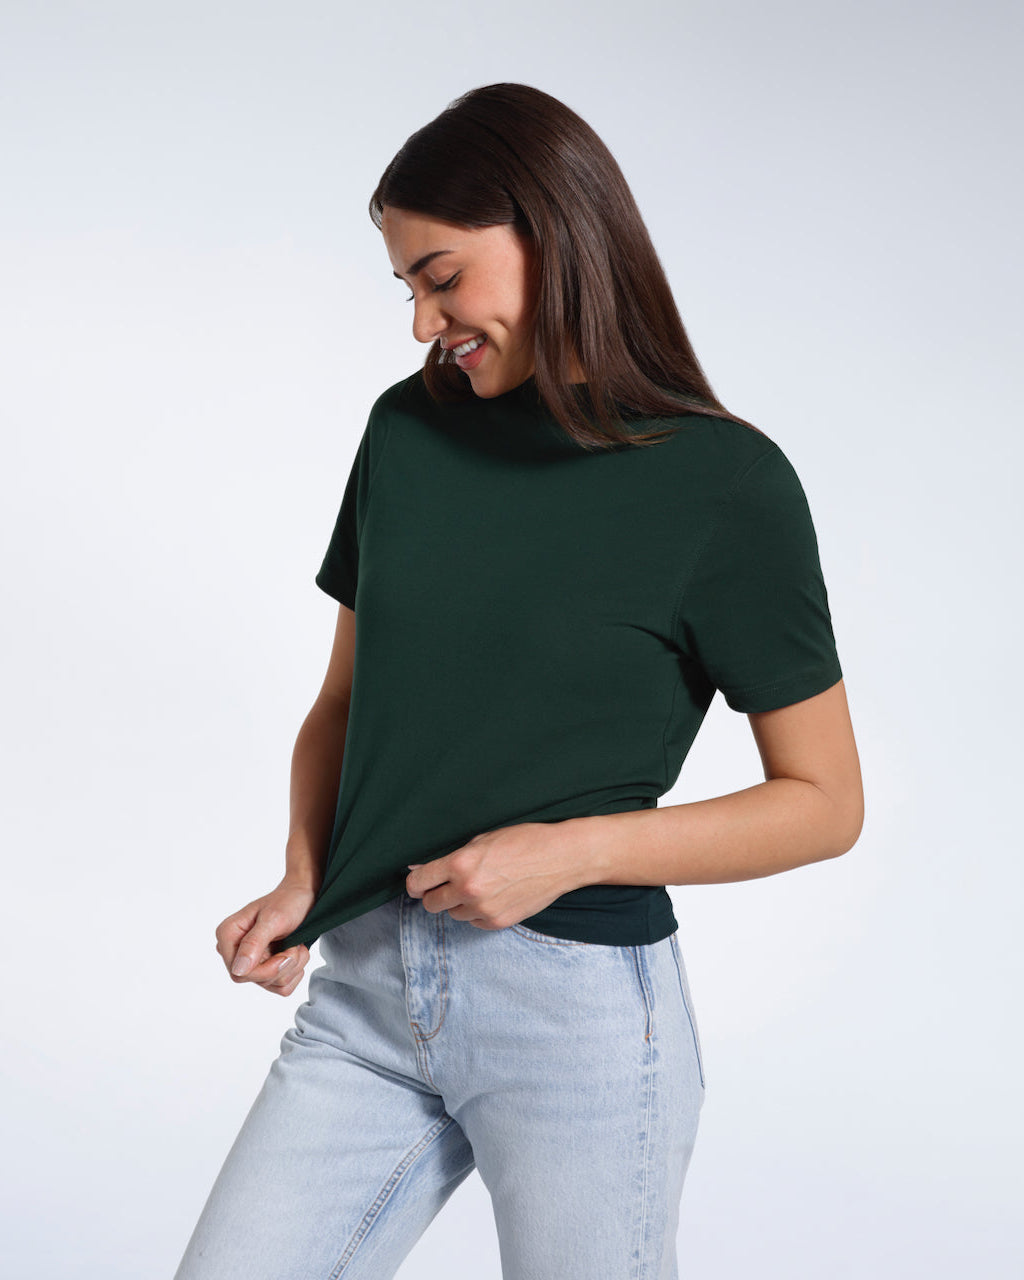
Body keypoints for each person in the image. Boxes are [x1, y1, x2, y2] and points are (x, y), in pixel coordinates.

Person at [173, 82, 864, 1280]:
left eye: (440, 276)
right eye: (406, 288)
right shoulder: (407, 434)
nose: (421, 319)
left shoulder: (726, 485)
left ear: (550, 228)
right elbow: (346, 702)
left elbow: (822, 800)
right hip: (369, 988)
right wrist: (303, 875)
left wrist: (569, 850)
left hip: (579, 1015)